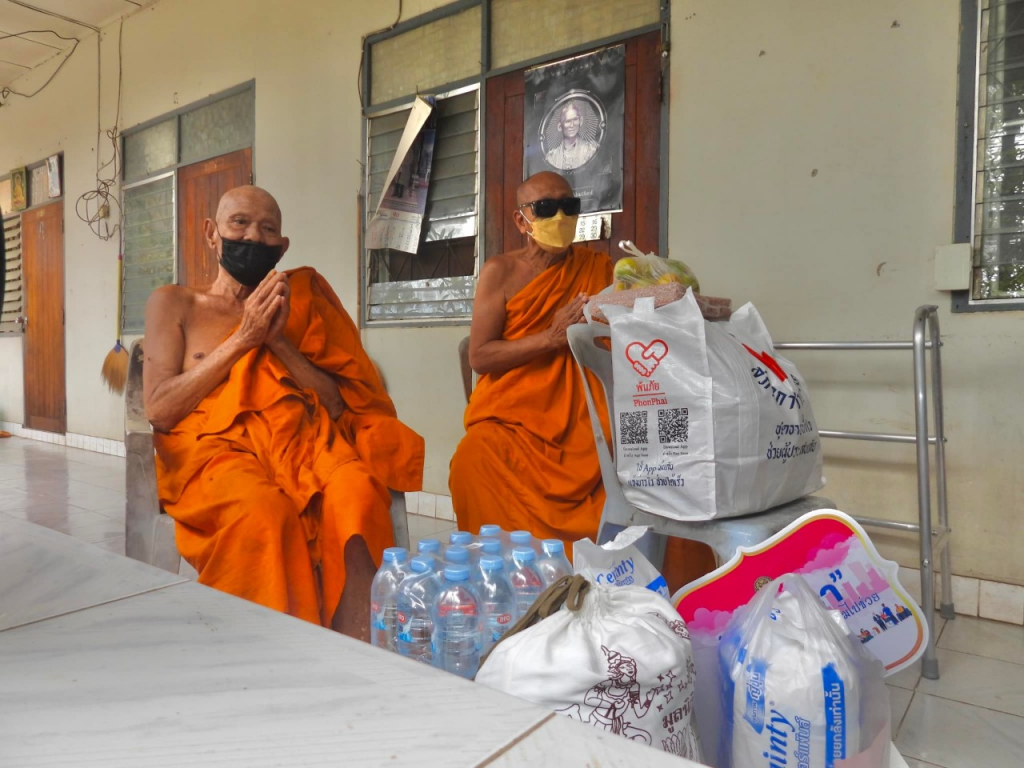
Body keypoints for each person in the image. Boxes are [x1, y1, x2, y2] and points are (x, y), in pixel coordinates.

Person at [143, 185, 424, 639]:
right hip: (215, 453)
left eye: (268, 229)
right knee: (263, 514)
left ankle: (355, 647)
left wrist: (277, 340)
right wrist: (245, 338)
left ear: (282, 246)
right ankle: (269, 650)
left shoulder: (301, 302)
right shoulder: (176, 303)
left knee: (357, 496)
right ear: (212, 233)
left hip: (304, 445)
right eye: (240, 223)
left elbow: (336, 404)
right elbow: (160, 409)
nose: (253, 237)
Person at [449, 171, 612, 549]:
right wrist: (551, 338)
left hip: (580, 411)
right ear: (521, 220)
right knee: (472, 460)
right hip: (511, 415)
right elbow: (480, 356)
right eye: (546, 208)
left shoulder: (596, 267)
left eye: (569, 206)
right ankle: (499, 569)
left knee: (637, 462)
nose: (560, 217)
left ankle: (601, 573)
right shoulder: (500, 272)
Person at [544, 102, 600, 171]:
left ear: (580, 121)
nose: (572, 125)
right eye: (568, 121)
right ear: (560, 126)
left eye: (575, 119)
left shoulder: (591, 149)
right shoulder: (551, 157)